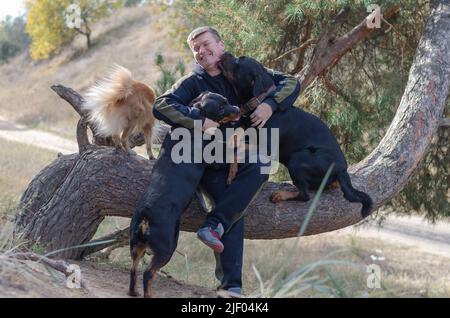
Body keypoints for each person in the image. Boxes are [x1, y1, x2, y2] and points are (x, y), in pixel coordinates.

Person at [152, 26, 300, 294]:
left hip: (239, 153)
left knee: (262, 164)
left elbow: (291, 82)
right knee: (232, 207)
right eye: (195, 48)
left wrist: (270, 105)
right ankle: (231, 287)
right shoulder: (193, 82)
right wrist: (200, 120)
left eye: (206, 44)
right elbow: (162, 105)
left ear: (220, 45)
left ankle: (213, 225)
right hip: (204, 159)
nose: (201, 51)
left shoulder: (241, 69)